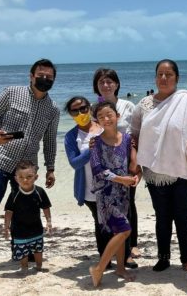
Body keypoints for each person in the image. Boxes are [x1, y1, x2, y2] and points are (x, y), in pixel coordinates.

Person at [0, 58, 59, 292]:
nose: (44, 79)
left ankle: (22, 255)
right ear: (31, 75)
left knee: (24, 215)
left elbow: (49, 141)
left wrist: (50, 168)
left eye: (49, 76)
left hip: (26, 172)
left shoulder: (53, 109)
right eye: (41, 75)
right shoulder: (11, 93)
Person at [129, 59, 187, 272]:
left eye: (169, 74)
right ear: (155, 78)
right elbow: (134, 136)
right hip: (154, 171)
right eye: (160, 74)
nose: (164, 78)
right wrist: (135, 164)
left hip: (184, 167)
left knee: (182, 215)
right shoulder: (144, 105)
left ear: (177, 78)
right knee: (162, 217)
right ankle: (163, 257)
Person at [88, 101, 141, 287]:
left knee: (119, 231)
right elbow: (97, 169)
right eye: (101, 117)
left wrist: (135, 177)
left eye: (109, 114)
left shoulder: (126, 138)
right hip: (106, 194)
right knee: (125, 229)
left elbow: (133, 165)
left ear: (117, 115)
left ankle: (120, 268)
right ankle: (99, 268)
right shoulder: (95, 142)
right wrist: (121, 179)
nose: (106, 119)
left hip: (123, 193)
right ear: (97, 121)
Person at [92, 68, 140, 265]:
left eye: (110, 81)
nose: (106, 85)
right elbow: (91, 132)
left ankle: (129, 250)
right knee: (104, 211)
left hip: (126, 162)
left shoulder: (128, 105)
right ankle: (108, 253)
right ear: (96, 86)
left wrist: (136, 167)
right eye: (101, 82)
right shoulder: (94, 108)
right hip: (105, 164)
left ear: (117, 84)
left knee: (128, 206)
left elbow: (136, 134)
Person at [63, 96, 108, 263]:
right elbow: (74, 163)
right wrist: (89, 151)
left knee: (118, 222)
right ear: (70, 114)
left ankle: (124, 257)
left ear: (89, 107)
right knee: (100, 223)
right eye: (75, 110)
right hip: (89, 188)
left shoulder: (104, 125)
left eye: (83, 108)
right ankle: (105, 258)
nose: (80, 112)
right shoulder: (71, 137)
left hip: (112, 184)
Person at [4, 160, 52, 274]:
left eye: (29, 176)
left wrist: (49, 222)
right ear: (16, 178)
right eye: (21, 177)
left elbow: (45, 207)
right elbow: (8, 211)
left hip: (36, 227)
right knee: (22, 251)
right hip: (19, 230)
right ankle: (24, 268)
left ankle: (39, 267)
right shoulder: (14, 194)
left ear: (36, 177)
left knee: (38, 249)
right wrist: (6, 227)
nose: (25, 180)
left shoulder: (39, 192)